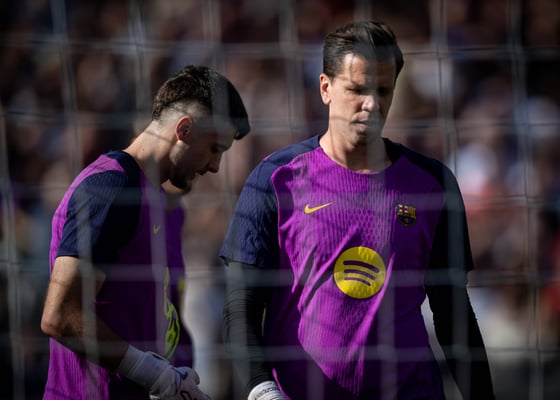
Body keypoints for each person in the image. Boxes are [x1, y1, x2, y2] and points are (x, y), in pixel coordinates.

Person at [220, 20, 495, 400]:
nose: (372, 104)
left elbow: (454, 314)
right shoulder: (274, 179)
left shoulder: (433, 184)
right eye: (357, 89)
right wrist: (262, 390)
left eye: (383, 90)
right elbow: (240, 310)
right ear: (326, 88)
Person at [40, 65, 250, 400]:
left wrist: (174, 375)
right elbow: (60, 315)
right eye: (215, 149)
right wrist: (152, 373)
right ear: (184, 129)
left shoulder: (158, 201)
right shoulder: (111, 187)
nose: (215, 167)